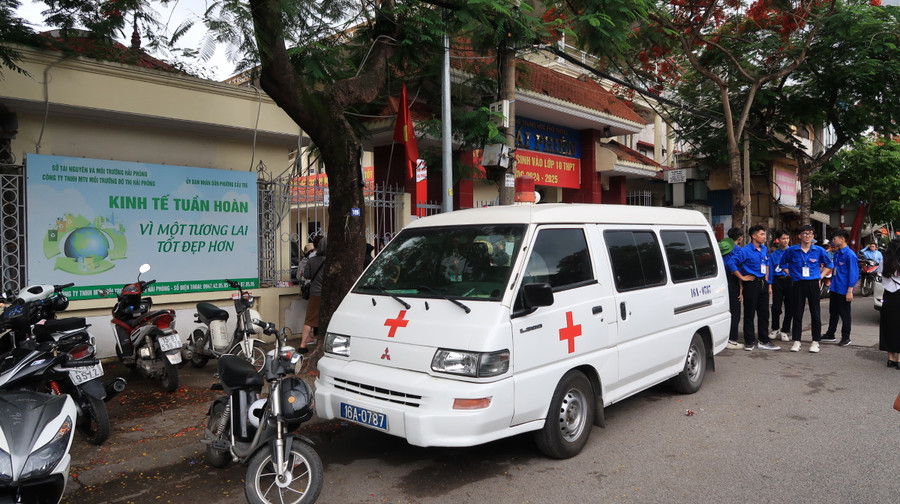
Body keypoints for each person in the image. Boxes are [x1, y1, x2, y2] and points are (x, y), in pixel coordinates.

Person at [780, 224, 834, 353]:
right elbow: (783, 264)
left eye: (810, 234)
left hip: (813, 283)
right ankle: (796, 341)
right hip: (798, 283)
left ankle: (815, 341)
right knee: (797, 312)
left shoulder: (819, 250)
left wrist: (820, 276)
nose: (807, 236)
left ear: (813, 236)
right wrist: (791, 274)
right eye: (804, 233)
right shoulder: (792, 250)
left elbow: (829, 264)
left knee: (815, 312)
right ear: (800, 236)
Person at [734, 225, 779, 351]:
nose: (764, 237)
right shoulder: (745, 251)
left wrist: (768, 281)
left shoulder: (764, 249)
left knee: (764, 313)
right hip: (751, 283)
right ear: (754, 236)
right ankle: (749, 341)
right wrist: (742, 277)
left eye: (764, 234)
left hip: (763, 283)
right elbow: (731, 263)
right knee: (749, 313)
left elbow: (767, 264)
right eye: (761, 234)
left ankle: (764, 340)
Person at [821, 229, 859, 347]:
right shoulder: (837, 253)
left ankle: (846, 337)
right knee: (833, 312)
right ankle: (830, 334)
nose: (833, 241)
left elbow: (853, 273)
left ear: (842, 239)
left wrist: (850, 290)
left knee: (844, 314)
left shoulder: (850, 255)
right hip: (835, 288)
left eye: (834, 238)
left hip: (844, 289)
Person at [721, 227, 745, 349]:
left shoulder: (721, 247)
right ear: (740, 238)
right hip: (733, 281)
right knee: (735, 311)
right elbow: (737, 268)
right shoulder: (739, 251)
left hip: (720, 280)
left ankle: (722, 338)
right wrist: (741, 285)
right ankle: (732, 339)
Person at [300, 237, 327, 350]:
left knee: (310, 320)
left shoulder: (311, 260)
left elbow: (306, 275)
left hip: (315, 293)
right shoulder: (330, 261)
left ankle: (302, 344)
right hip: (327, 294)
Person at [768, 229, 793, 342]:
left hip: (790, 280)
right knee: (776, 307)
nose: (785, 241)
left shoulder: (793, 252)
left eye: (787, 238)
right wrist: (770, 285)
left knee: (790, 307)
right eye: (783, 238)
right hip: (778, 281)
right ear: (778, 240)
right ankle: (775, 328)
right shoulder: (773, 255)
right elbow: (771, 271)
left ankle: (785, 330)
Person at [879, 238, 900, 368]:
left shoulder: (884, 261)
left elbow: (881, 277)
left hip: (889, 296)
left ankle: (890, 358)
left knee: (888, 325)